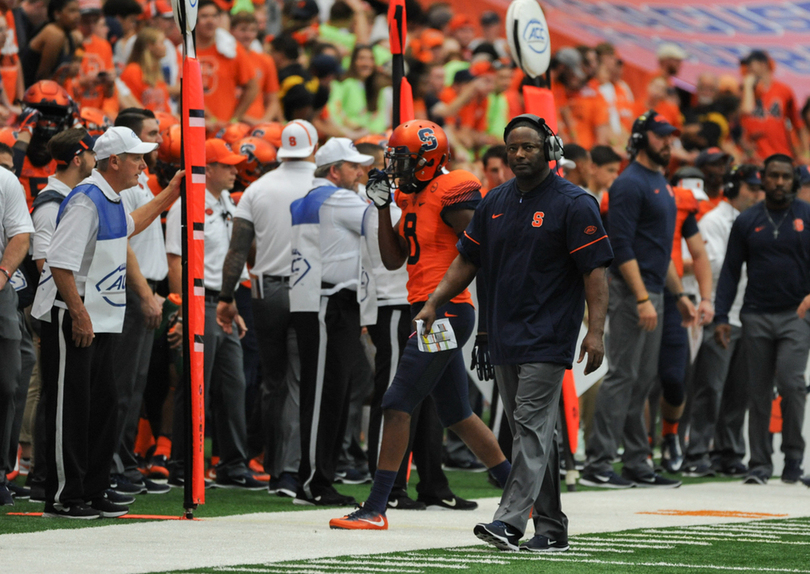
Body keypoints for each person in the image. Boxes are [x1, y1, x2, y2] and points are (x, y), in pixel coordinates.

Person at [408, 114, 613, 551]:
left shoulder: (575, 203)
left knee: (530, 424)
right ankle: (553, 529)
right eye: (513, 148)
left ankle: (508, 521)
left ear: (549, 150)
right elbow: (467, 260)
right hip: (503, 332)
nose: (519, 155)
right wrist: (434, 302)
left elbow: (595, 272)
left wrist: (594, 333)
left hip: (549, 333)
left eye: (529, 147)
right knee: (532, 433)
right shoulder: (494, 201)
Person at [329, 120, 511, 530]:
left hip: (445, 311)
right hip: (428, 311)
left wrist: (485, 328)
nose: (395, 166)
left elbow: (485, 256)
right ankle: (519, 490)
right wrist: (380, 208)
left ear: (429, 160)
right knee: (457, 413)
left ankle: (376, 508)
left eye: (403, 158)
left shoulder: (454, 188)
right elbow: (394, 259)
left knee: (396, 403)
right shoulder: (414, 195)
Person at [32, 126, 182, 518]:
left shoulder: (108, 197)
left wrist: (171, 194)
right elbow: (60, 264)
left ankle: (94, 488)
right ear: (113, 161)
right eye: (136, 158)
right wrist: (80, 315)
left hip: (98, 315)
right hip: (72, 314)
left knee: (103, 404)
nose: (143, 164)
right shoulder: (87, 200)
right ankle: (65, 494)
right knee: (71, 406)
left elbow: (132, 224)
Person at [581, 111, 694, 489]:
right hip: (634, 293)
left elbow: (660, 250)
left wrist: (677, 294)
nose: (668, 143)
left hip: (654, 291)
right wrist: (643, 297)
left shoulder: (659, 181)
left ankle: (635, 461)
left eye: (670, 137)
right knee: (623, 376)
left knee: (643, 380)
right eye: (662, 137)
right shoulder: (629, 184)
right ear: (642, 138)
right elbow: (623, 245)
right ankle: (598, 462)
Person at [218, 120, 319, 498]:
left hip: (265, 290)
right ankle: (291, 471)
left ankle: (275, 464)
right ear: (312, 146)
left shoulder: (257, 189)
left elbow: (237, 250)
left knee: (272, 381)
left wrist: (227, 297)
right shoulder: (322, 184)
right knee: (295, 380)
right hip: (309, 288)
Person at [166, 139, 262, 490]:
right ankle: (183, 463)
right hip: (198, 301)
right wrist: (180, 308)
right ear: (208, 168)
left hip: (222, 303)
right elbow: (175, 260)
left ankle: (232, 464)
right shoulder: (187, 203)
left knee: (234, 385)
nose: (236, 170)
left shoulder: (224, 200)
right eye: (228, 165)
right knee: (195, 387)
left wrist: (230, 301)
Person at [286, 137, 375, 507]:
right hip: (328, 302)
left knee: (330, 393)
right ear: (334, 170)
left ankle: (320, 476)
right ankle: (311, 481)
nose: (361, 173)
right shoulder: (337, 198)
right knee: (324, 395)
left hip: (323, 301)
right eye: (354, 166)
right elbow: (383, 223)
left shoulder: (313, 197)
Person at [715, 154, 810, 485]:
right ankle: (759, 462)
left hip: (796, 314)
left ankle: (794, 455)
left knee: (792, 383)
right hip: (755, 313)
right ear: (763, 179)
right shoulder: (747, 220)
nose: (779, 182)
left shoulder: (807, 215)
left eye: (785, 176)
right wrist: (721, 316)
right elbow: (729, 271)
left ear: (794, 180)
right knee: (756, 389)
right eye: (773, 176)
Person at [683, 164, 763, 477]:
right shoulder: (714, 220)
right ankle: (698, 452)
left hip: (746, 311)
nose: (757, 194)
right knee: (711, 387)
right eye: (751, 188)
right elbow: (714, 267)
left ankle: (729, 453)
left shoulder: (753, 221)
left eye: (759, 188)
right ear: (732, 187)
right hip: (719, 312)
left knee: (739, 391)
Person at [109, 109, 171, 495]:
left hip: (145, 288)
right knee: (122, 383)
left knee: (136, 383)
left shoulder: (139, 180)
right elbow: (123, 243)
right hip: (133, 291)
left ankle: (124, 460)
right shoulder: (127, 184)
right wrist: (146, 294)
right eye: (151, 132)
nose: (160, 139)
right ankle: (115, 462)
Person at [0, 156, 34, 506]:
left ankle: (0, 472)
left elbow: (21, 235)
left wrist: (2, 273)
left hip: (0, 290)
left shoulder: (5, 181)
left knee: (7, 380)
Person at [195, 0, 258, 133]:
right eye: (204, 16)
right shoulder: (183, 51)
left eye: (214, 16)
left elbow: (252, 86)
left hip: (224, 130)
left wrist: (235, 119)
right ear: (195, 19)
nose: (210, 21)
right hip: (194, 127)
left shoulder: (232, 49)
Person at [23, 0, 81, 87]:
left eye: (78, 11)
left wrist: (76, 63)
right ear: (57, 13)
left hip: (53, 89)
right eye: (72, 11)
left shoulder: (74, 36)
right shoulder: (54, 34)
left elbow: (80, 51)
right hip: (32, 88)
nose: (77, 16)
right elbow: (42, 76)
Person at [119, 27, 172, 113]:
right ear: (150, 46)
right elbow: (130, 108)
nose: (165, 47)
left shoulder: (156, 71)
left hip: (162, 122)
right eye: (161, 43)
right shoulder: (132, 70)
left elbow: (165, 106)